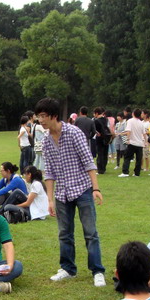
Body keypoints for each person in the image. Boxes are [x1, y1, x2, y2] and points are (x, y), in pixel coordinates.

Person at [36, 97, 106, 287]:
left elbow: (88, 161)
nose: (40, 120)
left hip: (82, 189)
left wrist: (96, 188)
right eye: (38, 116)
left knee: (90, 233)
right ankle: (68, 269)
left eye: (43, 116)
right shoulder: (46, 141)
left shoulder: (73, 133)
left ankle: (97, 271)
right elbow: (49, 172)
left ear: (54, 116)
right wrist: (49, 200)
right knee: (64, 233)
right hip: (62, 194)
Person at [119, 108, 146, 177]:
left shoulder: (130, 121)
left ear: (133, 114)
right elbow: (144, 134)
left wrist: (128, 139)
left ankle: (125, 172)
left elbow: (128, 131)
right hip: (140, 143)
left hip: (132, 142)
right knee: (138, 159)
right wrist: (145, 142)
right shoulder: (141, 122)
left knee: (127, 157)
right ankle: (137, 173)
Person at [93, 107, 111, 175]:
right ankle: (104, 168)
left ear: (96, 113)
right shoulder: (105, 119)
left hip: (99, 138)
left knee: (100, 154)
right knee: (105, 154)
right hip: (106, 137)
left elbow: (95, 130)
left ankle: (100, 170)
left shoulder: (96, 121)